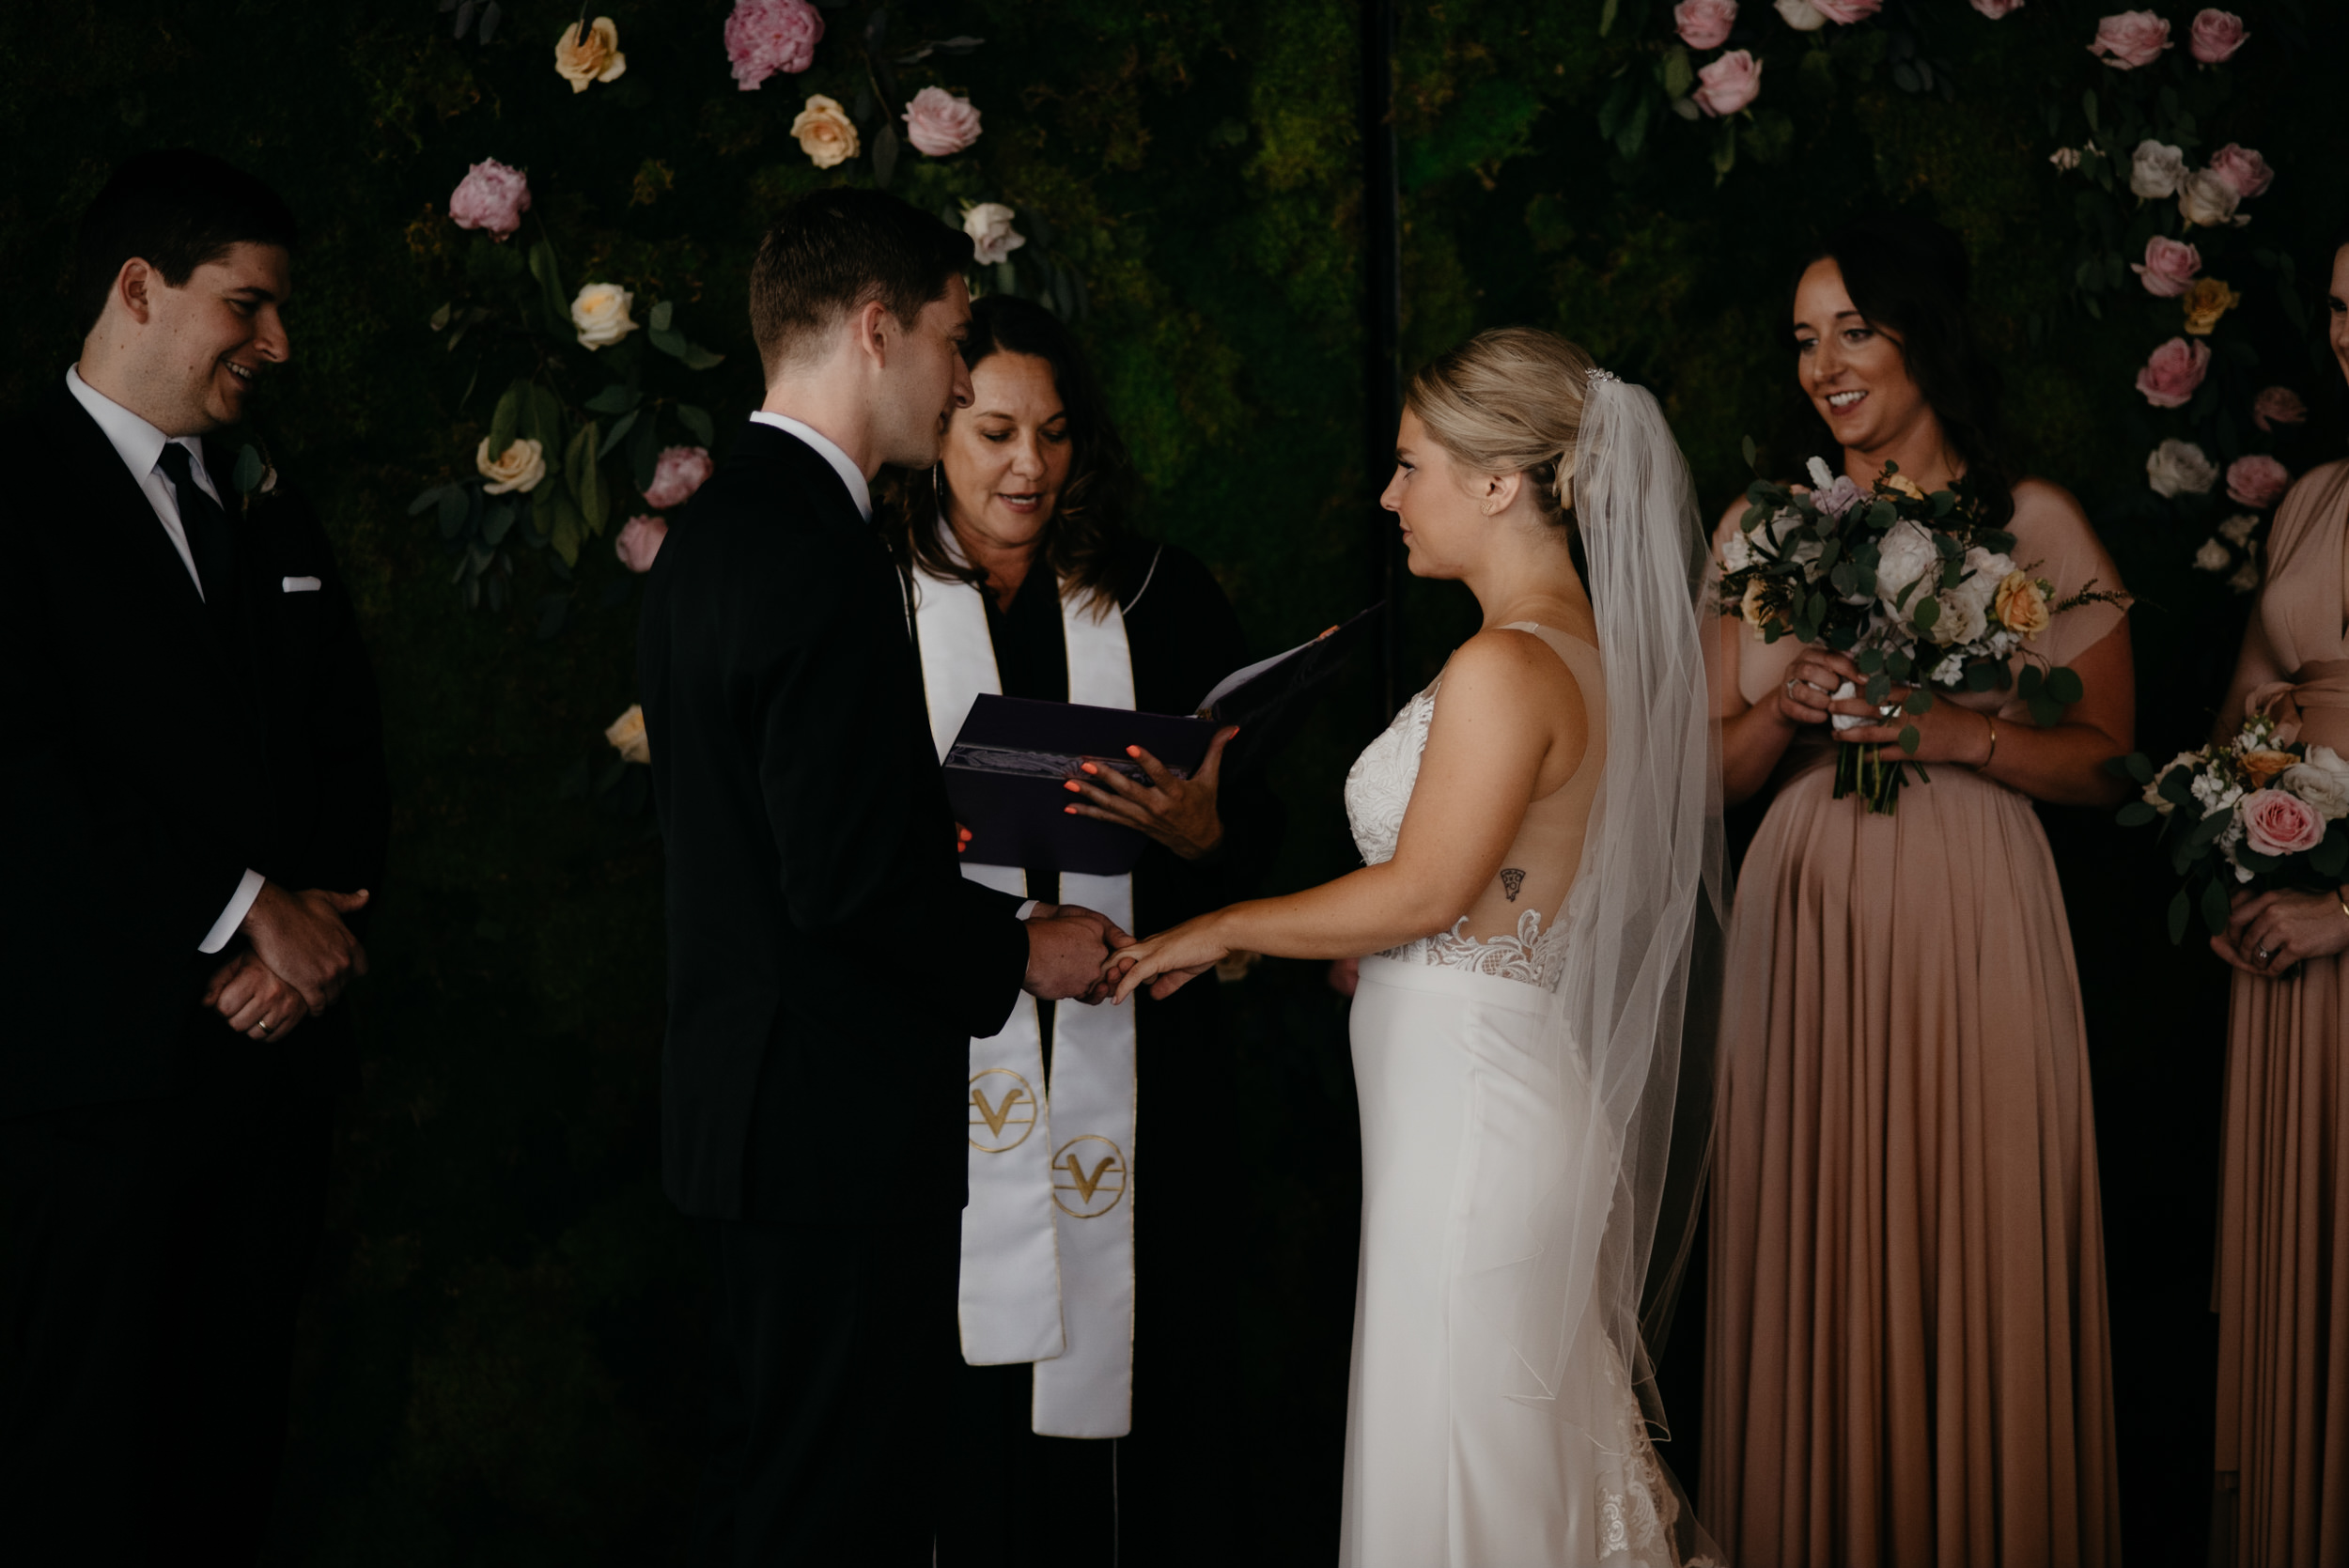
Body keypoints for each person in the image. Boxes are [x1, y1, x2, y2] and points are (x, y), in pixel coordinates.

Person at [1112, 327, 1722, 1566]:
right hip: (1488, 1103)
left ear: (1499, 481)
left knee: (1459, 1472)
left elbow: (1427, 893)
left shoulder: (1508, 663)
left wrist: (1217, 924)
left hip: (1476, 1135)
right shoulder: (1584, 655)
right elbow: (1492, 901)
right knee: (1490, 1464)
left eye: (1409, 465)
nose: (1389, 497)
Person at [635, 190, 1131, 1566]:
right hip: (828, 1129)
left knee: (775, 1496)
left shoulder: (720, 530)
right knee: (826, 1518)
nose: (962, 379)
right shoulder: (814, 550)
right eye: (952, 340)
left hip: (756, 1113)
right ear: (876, 329)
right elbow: (844, 879)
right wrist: (1021, 949)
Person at [1700, 217, 2130, 1564]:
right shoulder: (1761, 528)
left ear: (1921, 338)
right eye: (1804, 340)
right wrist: (1782, 710)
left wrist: (1958, 736)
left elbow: (2113, 761)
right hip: (1807, 917)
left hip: (1976, 913)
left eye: (1854, 331)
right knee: (1816, 1242)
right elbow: (1704, 775)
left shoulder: (2032, 523)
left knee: (1974, 1228)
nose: (1823, 365)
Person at [0, 150, 390, 1562]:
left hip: (267, 1093)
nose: (277, 342)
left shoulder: (267, 498)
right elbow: (22, 772)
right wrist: (238, 911)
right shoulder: (14, 488)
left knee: (230, 1478)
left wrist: (311, 938)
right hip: (86, 1105)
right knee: (77, 1484)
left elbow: (348, 740)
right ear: (137, 289)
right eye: (248, 305)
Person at [880, 293, 1281, 1565]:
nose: (1029, 467)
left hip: (1140, 1062)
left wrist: (1203, 835)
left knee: (1147, 1411)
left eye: (1053, 433)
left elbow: (1264, 842)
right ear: (936, 429)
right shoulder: (867, 601)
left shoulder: (1160, 597)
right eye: (995, 432)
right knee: (952, 1420)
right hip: (931, 1072)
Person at [2203, 234, 2349, 1565]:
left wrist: (2345, 914)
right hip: (2288, 944)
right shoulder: (2312, 501)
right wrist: (2225, 849)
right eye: (2345, 309)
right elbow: (2248, 696)